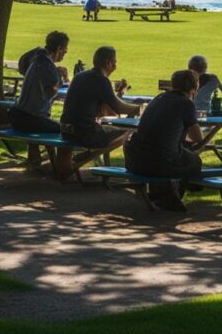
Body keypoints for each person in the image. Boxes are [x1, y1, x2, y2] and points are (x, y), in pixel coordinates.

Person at [124, 69, 204, 211]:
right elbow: (197, 138)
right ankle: (171, 196)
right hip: (158, 163)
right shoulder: (186, 103)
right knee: (195, 161)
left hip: (136, 160)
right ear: (194, 88)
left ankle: (163, 194)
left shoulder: (159, 98)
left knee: (168, 150)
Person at [59, 46, 139, 177]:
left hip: (65, 130)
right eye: (115, 62)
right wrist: (139, 109)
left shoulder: (80, 76)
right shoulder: (101, 80)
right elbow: (118, 108)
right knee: (128, 131)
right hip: (83, 133)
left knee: (106, 128)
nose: (115, 66)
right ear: (108, 63)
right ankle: (84, 160)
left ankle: (83, 157)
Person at [11, 31, 70, 166]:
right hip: (30, 118)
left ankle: (37, 161)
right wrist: (62, 78)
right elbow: (51, 91)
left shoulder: (35, 55)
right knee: (65, 130)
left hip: (17, 114)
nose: (64, 55)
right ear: (59, 48)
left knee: (46, 122)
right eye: (64, 51)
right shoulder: (48, 65)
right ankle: (60, 165)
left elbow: (23, 68)